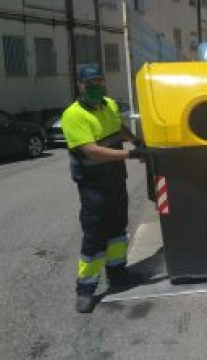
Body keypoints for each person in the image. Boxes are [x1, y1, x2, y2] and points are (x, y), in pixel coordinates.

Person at [61, 64, 146, 313]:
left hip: (115, 179)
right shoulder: (73, 115)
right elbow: (92, 151)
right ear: (80, 85)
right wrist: (130, 155)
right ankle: (86, 289)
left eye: (99, 81)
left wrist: (136, 141)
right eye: (90, 83)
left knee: (118, 228)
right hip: (92, 185)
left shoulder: (108, 104)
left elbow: (118, 128)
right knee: (96, 235)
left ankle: (118, 274)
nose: (96, 86)